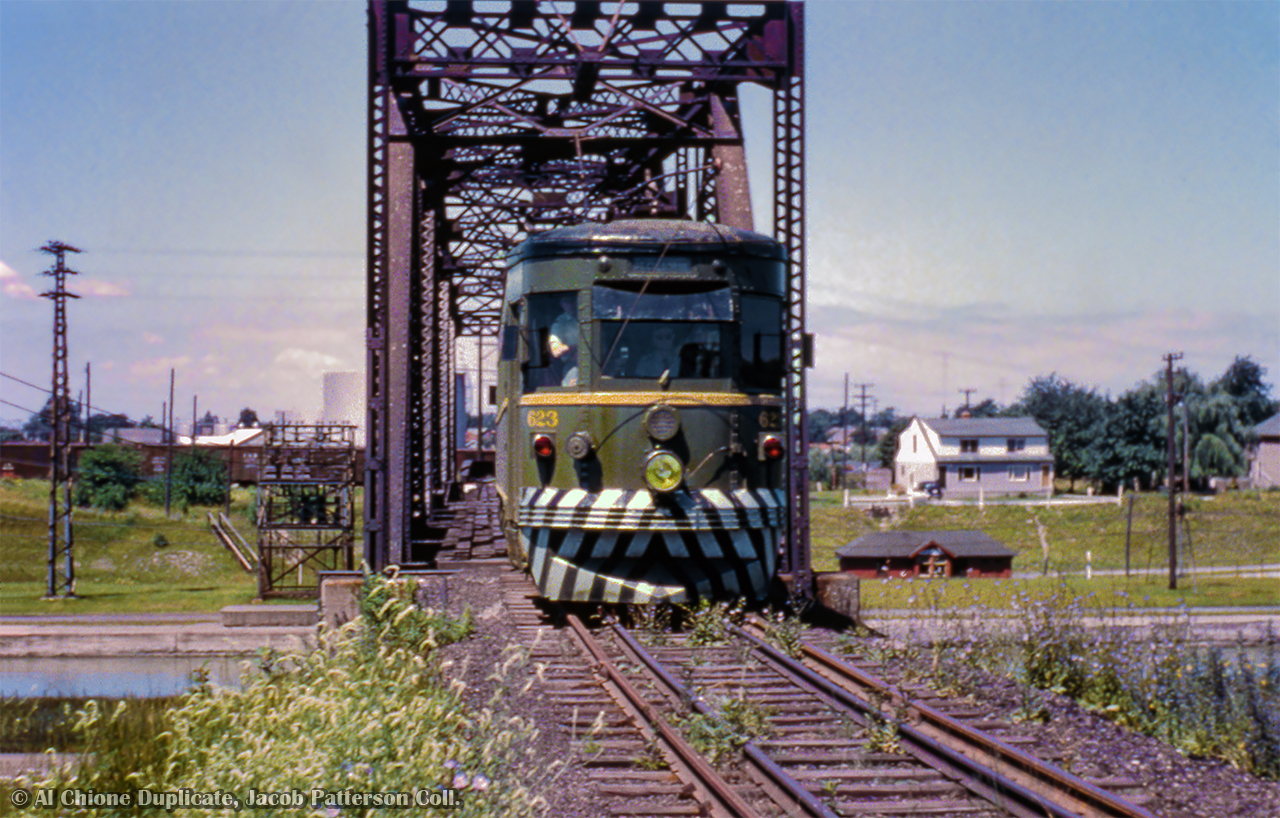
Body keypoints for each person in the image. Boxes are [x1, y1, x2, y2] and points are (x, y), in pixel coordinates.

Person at [547, 296, 578, 386]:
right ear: (561, 304)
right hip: (573, 366)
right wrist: (574, 348)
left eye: (572, 301)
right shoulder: (560, 324)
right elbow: (556, 351)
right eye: (566, 302)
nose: (570, 305)